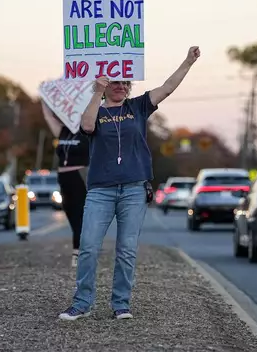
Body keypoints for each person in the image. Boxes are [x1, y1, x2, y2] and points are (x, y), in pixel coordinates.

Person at [59, 46, 201, 321]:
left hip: (134, 190)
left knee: (126, 249)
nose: (122, 86)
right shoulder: (96, 110)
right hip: (101, 190)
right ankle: (81, 303)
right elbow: (87, 127)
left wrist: (188, 61)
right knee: (88, 246)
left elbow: (168, 87)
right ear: (105, 84)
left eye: (126, 82)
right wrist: (96, 92)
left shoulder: (138, 107)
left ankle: (121, 304)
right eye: (116, 82)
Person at [41, 101, 90, 267]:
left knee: (79, 215)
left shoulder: (87, 132)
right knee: (69, 213)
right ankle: (82, 248)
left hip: (79, 177)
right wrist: (45, 99)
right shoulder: (64, 131)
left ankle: (77, 252)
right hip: (63, 178)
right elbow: (48, 117)